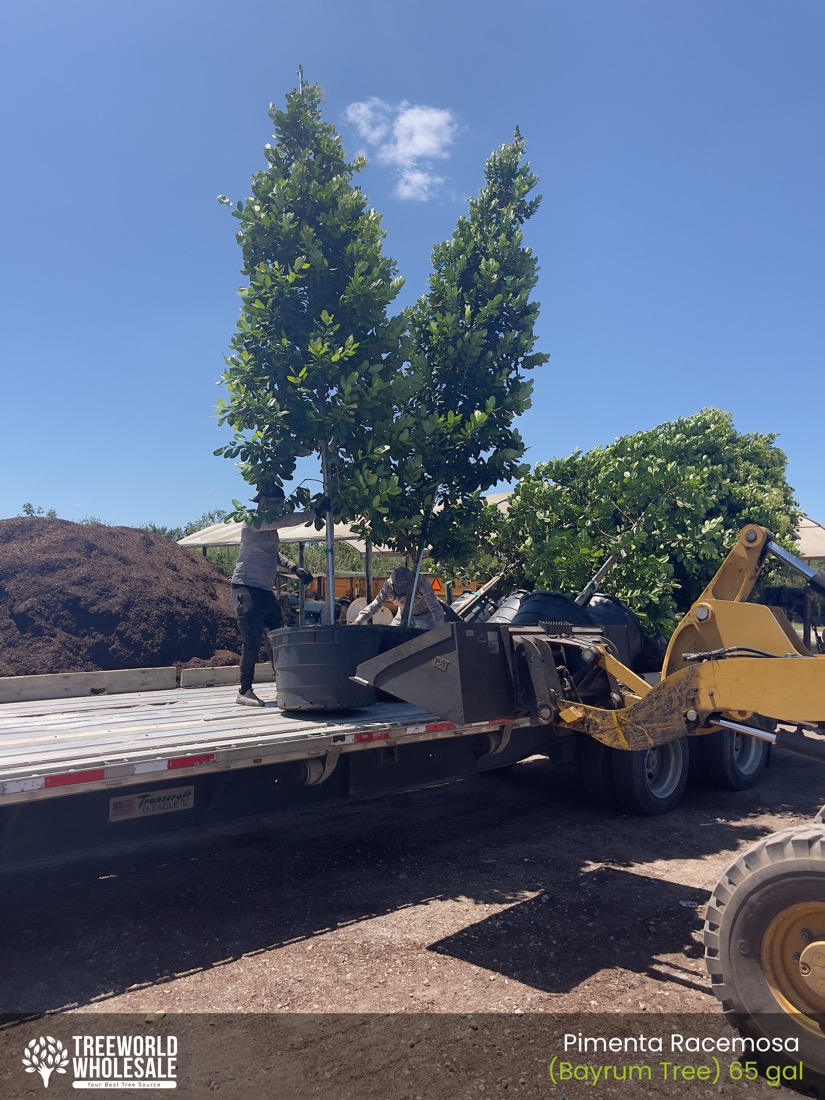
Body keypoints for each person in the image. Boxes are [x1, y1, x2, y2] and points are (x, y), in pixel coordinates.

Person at [231, 486, 314, 707]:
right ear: (263, 501)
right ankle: (244, 690)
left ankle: (284, 684)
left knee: (275, 636)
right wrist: (314, 513)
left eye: (280, 503)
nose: (278, 508)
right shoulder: (253, 521)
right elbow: (285, 521)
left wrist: (294, 568)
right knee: (251, 640)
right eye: (276, 503)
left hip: (265, 590)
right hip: (245, 586)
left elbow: (273, 553)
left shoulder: (269, 529)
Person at [352, 566, 446, 630]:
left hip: (425, 615)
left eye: (405, 590)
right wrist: (358, 621)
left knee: (428, 639)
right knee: (393, 637)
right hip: (402, 614)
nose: (402, 595)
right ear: (393, 583)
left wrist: (440, 627)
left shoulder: (421, 582)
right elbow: (376, 604)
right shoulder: (388, 586)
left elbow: (434, 606)